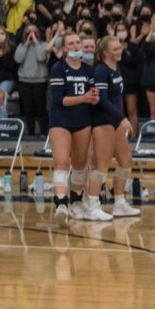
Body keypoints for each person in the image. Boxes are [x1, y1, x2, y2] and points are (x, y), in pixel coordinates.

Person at [49, 31, 98, 227]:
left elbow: (93, 94)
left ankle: (76, 202)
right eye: (71, 43)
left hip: (83, 120)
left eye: (78, 42)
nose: (76, 46)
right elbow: (59, 99)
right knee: (61, 162)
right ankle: (61, 204)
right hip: (61, 120)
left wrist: (93, 98)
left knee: (80, 163)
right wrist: (84, 98)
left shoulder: (88, 70)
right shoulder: (58, 68)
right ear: (64, 48)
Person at [93, 36, 140, 218]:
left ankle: (119, 203)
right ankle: (92, 204)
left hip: (116, 121)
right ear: (105, 52)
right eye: (115, 49)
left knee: (126, 162)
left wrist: (120, 119)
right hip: (103, 121)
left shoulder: (117, 67)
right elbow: (102, 100)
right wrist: (123, 118)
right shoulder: (100, 71)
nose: (119, 51)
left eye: (120, 48)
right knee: (101, 166)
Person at [14, 23, 50, 136]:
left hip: (40, 81)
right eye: (28, 32)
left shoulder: (43, 45)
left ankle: (44, 134)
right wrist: (26, 45)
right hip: (24, 82)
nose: (31, 34)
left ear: (38, 34)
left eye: (34, 32)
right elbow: (18, 59)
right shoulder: (21, 45)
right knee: (28, 110)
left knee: (41, 110)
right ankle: (30, 134)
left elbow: (41, 57)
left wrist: (36, 42)